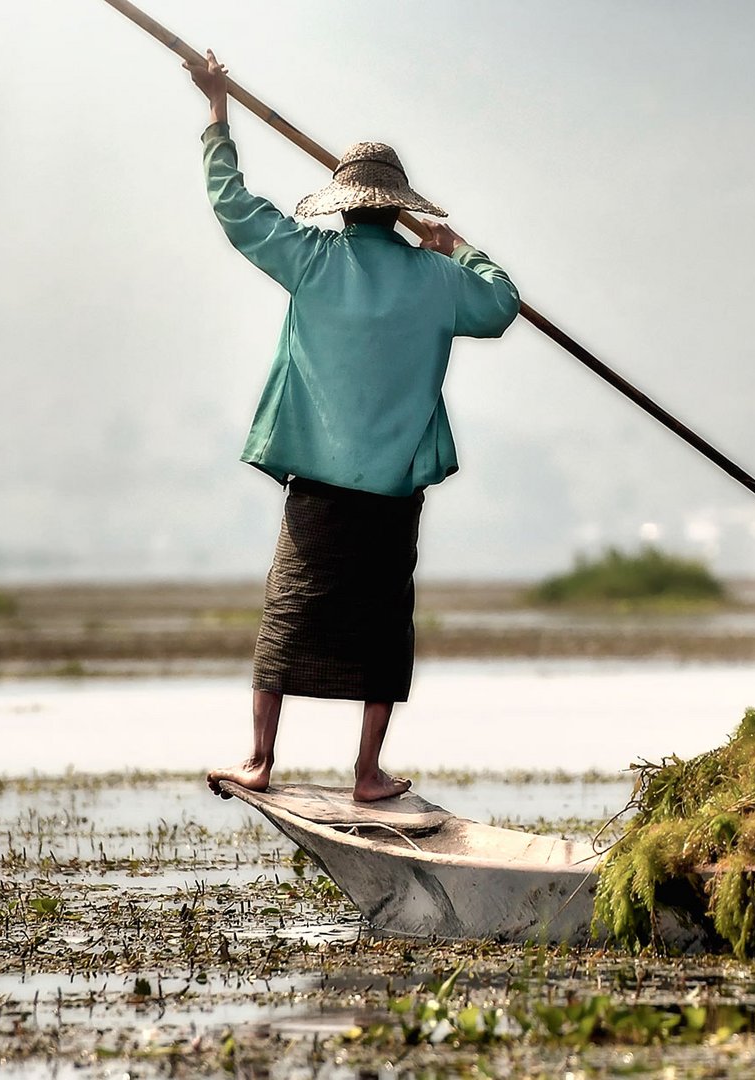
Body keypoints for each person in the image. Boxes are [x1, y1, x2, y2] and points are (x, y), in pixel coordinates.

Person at [185, 51, 521, 803]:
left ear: (341, 205)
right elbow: (501, 302)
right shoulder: (439, 282)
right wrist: (454, 246)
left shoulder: (309, 258)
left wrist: (217, 114)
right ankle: (367, 773)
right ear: (397, 208)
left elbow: (235, 207)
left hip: (320, 481)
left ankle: (259, 760)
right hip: (393, 485)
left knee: (290, 612)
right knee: (381, 628)